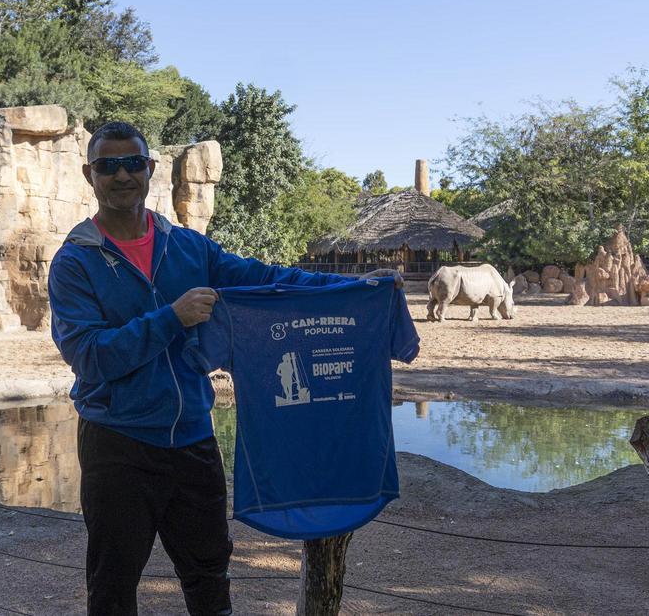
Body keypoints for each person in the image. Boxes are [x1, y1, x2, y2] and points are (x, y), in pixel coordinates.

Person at [47, 121, 400, 615]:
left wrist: (353, 288)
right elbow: (90, 356)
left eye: (132, 163)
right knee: (112, 585)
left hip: (192, 438)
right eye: (108, 166)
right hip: (118, 443)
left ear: (150, 170)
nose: (121, 175)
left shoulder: (189, 247)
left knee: (209, 577)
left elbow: (268, 279)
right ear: (91, 175)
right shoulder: (75, 263)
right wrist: (172, 318)